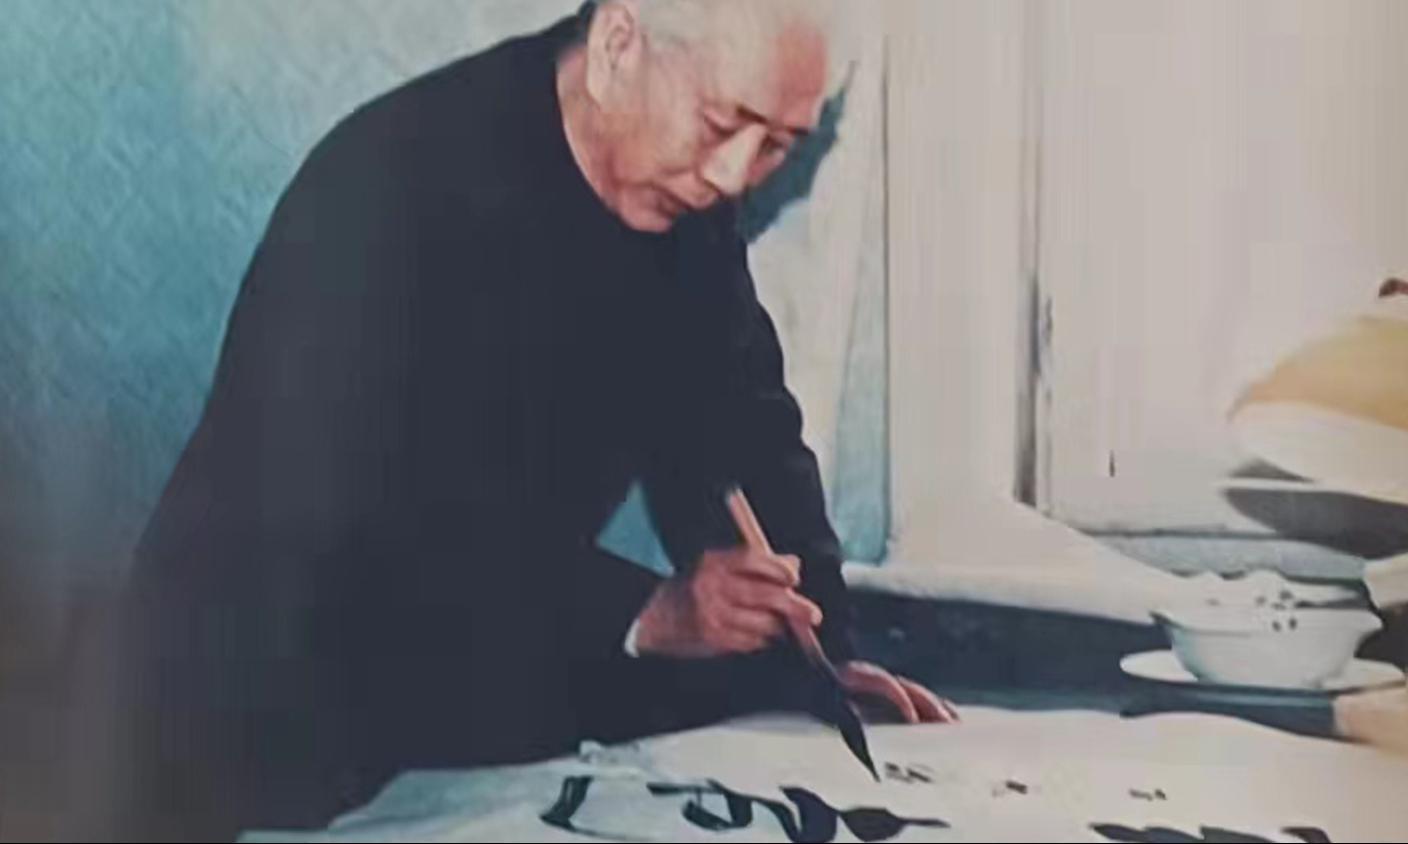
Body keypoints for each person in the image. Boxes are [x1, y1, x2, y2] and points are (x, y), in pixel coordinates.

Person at [113, 1, 953, 839]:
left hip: (482, 653)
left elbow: (745, 419)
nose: (735, 173)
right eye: (721, 122)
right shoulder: (389, 185)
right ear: (618, 46)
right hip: (255, 691)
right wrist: (652, 613)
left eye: (776, 145)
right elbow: (376, 527)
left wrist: (821, 652)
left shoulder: (682, 196)